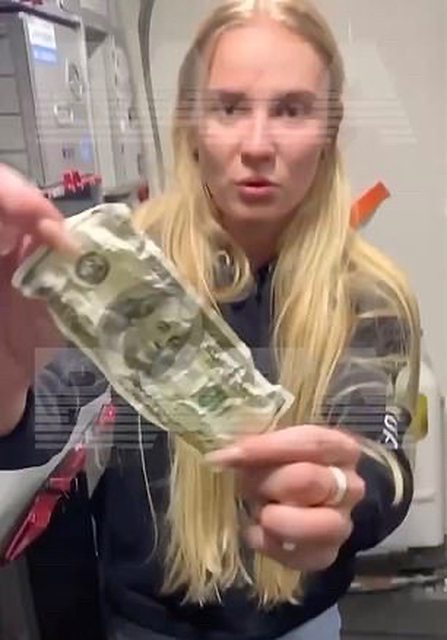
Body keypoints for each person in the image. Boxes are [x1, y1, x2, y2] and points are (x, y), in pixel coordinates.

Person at [0, 0, 421, 638]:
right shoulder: (125, 264)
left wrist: (337, 493)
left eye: (291, 109)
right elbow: (41, 419)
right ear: (192, 125)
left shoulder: (370, 294)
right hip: (146, 622)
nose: (257, 145)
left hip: (295, 623)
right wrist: (9, 364)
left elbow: (380, 459)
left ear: (328, 131)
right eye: (229, 108)